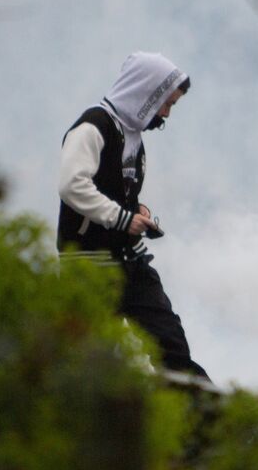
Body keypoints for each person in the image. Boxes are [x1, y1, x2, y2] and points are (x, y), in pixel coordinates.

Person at [57, 51, 209, 381]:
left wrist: (137, 210)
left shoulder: (134, 140)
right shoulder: (92, 127)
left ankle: (198, 410)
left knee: (171, 346)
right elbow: (72, 185)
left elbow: (114, 192)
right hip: (89, 266)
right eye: (166, 103)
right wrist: (124, 219)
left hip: (130, 262)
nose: (166, 113)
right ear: (147, 92)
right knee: (92, 360)